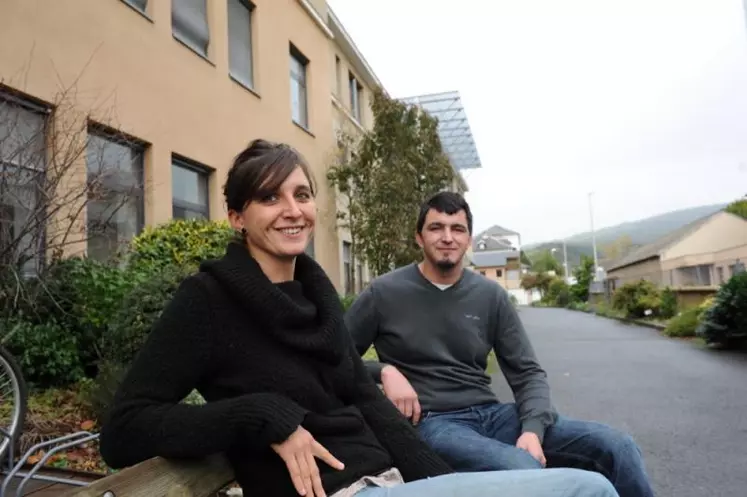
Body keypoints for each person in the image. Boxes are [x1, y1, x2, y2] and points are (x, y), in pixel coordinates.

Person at [98, 140, 619, 497]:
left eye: (301, 194)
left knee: (600, 462)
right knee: (586, 489)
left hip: (390, 480)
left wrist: (429, 476)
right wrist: (261, 417)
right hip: (341, 489)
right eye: (268, 197)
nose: (292, 209)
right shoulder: (207, 300)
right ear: (237, 217)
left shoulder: (314, 292)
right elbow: (123, 430)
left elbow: (362, 396)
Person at [345, 191, 655, 497]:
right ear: (418, 237)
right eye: (436, 227)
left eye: (457, 229)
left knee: (617, 447)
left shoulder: (490, 295)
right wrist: (383, 370)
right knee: (523, 469)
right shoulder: (384, 293)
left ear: (468, 239)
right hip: (433, 423)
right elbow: (334, 357)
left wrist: (532, 429)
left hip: (492, 415)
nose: (447, 237)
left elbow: (527, 372)